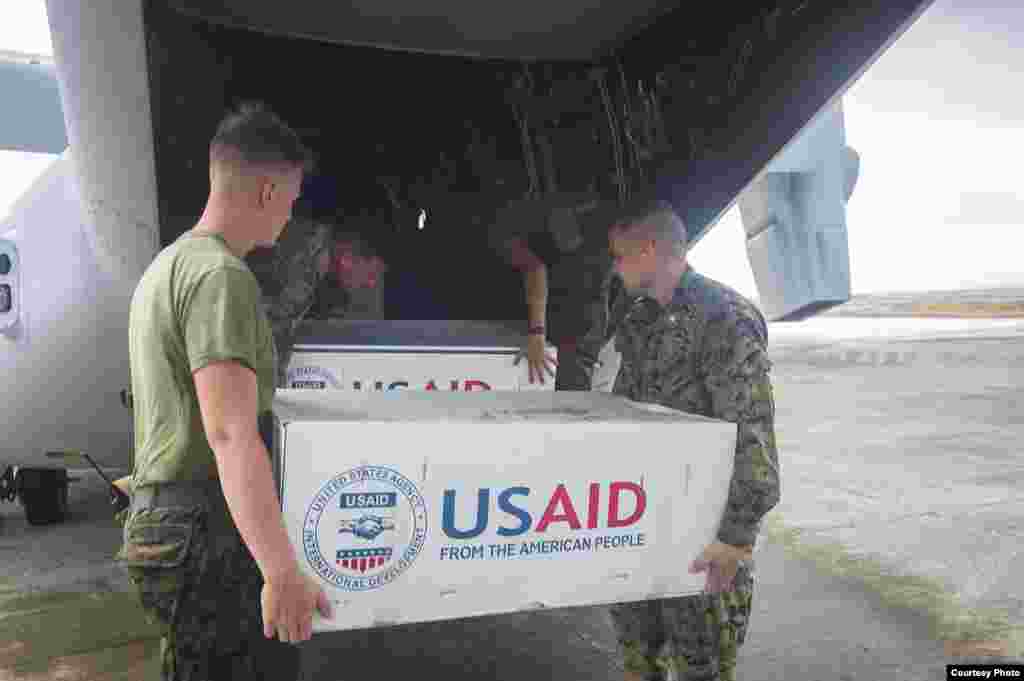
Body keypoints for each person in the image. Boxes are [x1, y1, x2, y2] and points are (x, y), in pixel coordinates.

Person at [118, 101, 333, 680]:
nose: (289, 219)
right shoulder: (221, 278)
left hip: (167, 519)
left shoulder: (167, 267)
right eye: (289, 201)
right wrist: (281, 569)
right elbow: (230, 433)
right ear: (266, 192)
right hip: (203, 528)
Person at [605, 199, 781, 681]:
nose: (615, 267)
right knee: (641, 662)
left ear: (651, 249)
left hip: (706, 536)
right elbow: (627, 411)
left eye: (620, 256)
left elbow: (752, 432)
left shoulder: (723, 317)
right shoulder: (639, 321)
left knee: (702, 667)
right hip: (644, 522)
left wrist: (735, 537)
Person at [487, 190, 623, 390]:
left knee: (568, 401)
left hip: (570, 331)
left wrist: (537, 333)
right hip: (591, 327)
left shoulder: (508, 227)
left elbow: (535, 268)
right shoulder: (605, 220)